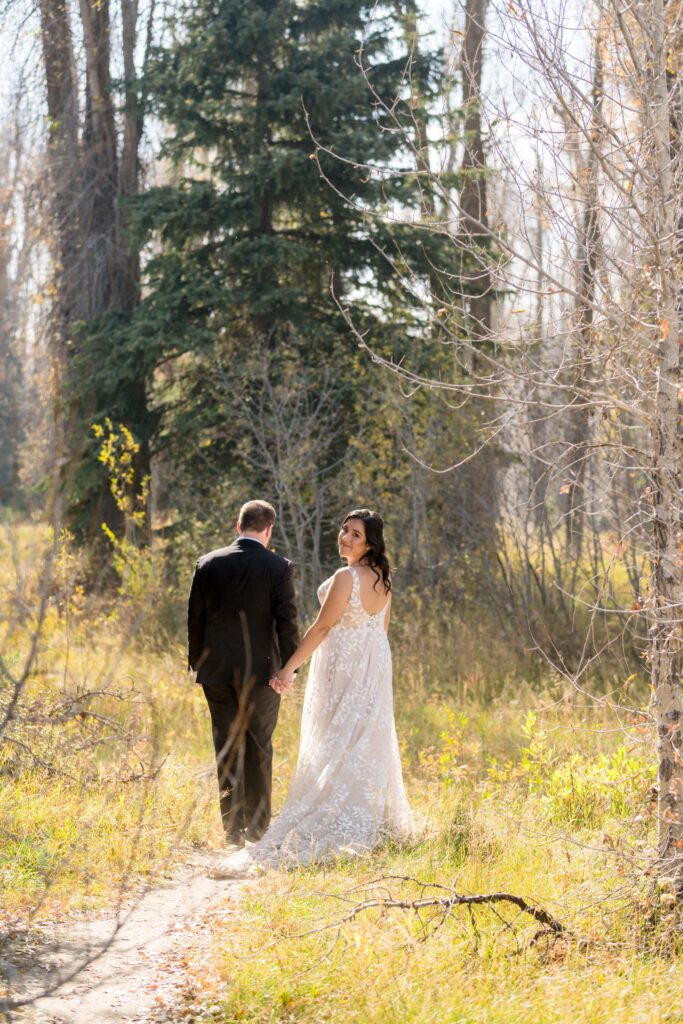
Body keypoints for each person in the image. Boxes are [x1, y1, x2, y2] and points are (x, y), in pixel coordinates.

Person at [210, 508, 413, 878]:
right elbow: (380, 630)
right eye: (344, 530)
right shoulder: (383, 578)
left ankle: (332, 812)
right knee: (357, 739)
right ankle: (363, 812)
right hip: (370, 666)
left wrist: (287, 669)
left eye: (355, 534)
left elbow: (321, 629)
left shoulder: (346, 577)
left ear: (370, 543)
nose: (345, 538)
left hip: (346, 668)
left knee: (338, 739)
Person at [187, 499, 300, 847]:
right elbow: (287, 621)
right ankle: (258, 829)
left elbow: (195, 618)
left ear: (238, 526)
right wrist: (289, 668)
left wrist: (195, 663)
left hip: (217, 671)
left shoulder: (207, 563)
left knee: (226, 745)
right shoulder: (278, 566)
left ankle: (232, 831)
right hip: (262, 671)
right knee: (259, 745)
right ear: (268, 530)